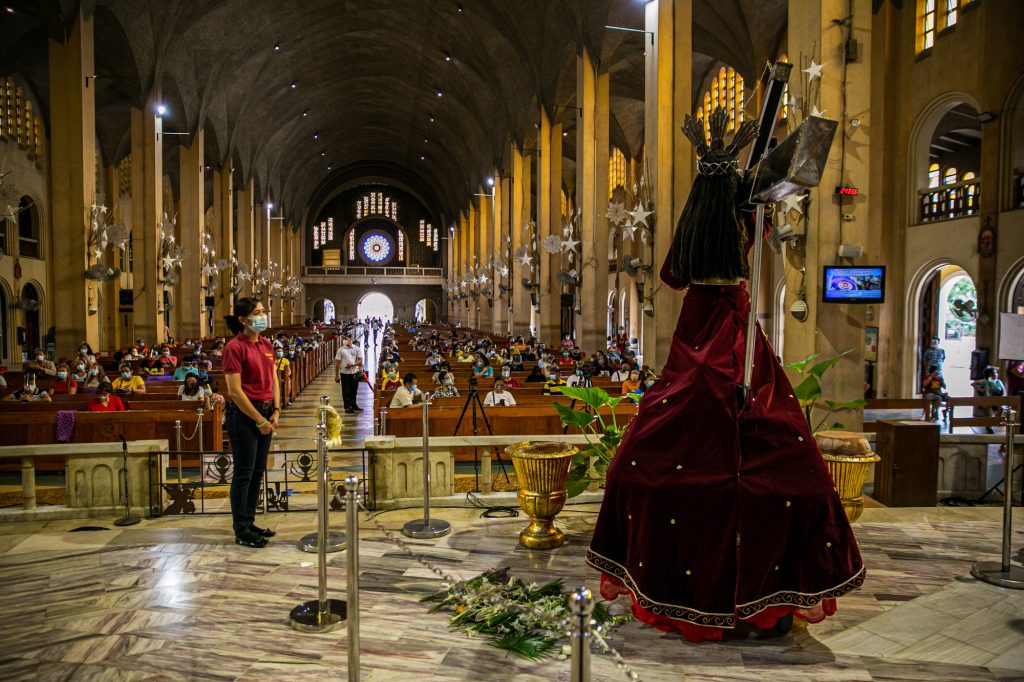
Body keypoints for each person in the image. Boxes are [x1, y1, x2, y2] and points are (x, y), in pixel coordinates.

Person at [587, 109, 863, 643]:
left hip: (697, 331)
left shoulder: (694, 228)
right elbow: (766, 220)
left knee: (661, 447)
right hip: (735, 332)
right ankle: (767, 605)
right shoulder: (745, 220)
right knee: (769, 436)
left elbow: (670, 275)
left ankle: (679, 598)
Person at [222, 297, 280, 549]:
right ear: (243, 319)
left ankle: (250, 520)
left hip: (266, 413)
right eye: (257, 312)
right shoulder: (234, 347)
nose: (263, 315)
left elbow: (273, 379)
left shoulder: (265, 343)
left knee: (258, 472)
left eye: (263, 310)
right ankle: (241, 529)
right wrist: (258, 420)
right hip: (245, 416)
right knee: (244, 473)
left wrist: (276, 410)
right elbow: (234, 391)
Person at [335, 333, 364, 414]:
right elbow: (337, 363)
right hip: (344, 373)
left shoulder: (356, 349)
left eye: (346, 339)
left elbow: (360, 360)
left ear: (350, 339)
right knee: (346, 390)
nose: (344, 340)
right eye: (343, 339)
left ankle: (354, 405)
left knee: (354, 390)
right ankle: (347, 407)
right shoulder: (341, 350)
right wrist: (336, 375)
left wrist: (353, 364)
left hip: (354, 372)